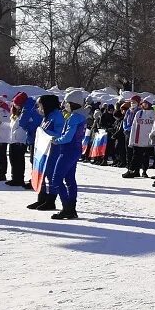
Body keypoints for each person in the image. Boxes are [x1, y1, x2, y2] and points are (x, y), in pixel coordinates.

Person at [46, 90, 89, 220]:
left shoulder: (74, 118)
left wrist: (55, 140)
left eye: (67, 103)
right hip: (74, 150)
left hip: (68, 150)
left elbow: (68, 137)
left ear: (73, 104)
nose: (65, 105)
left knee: (56, 179)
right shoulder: (79, 117)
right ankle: (71, 208)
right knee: (70, 180)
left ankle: (67, 208)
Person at [27, 95, 64, 211]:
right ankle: (41, 198)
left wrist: (44, 132)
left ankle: (50, 201)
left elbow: (59, 134)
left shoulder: (57, 116)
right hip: (43, 151)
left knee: (50, 175)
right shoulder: (47, 116)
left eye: (40, 105)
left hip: (54, 151)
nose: (39, 108)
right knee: (40, 172)